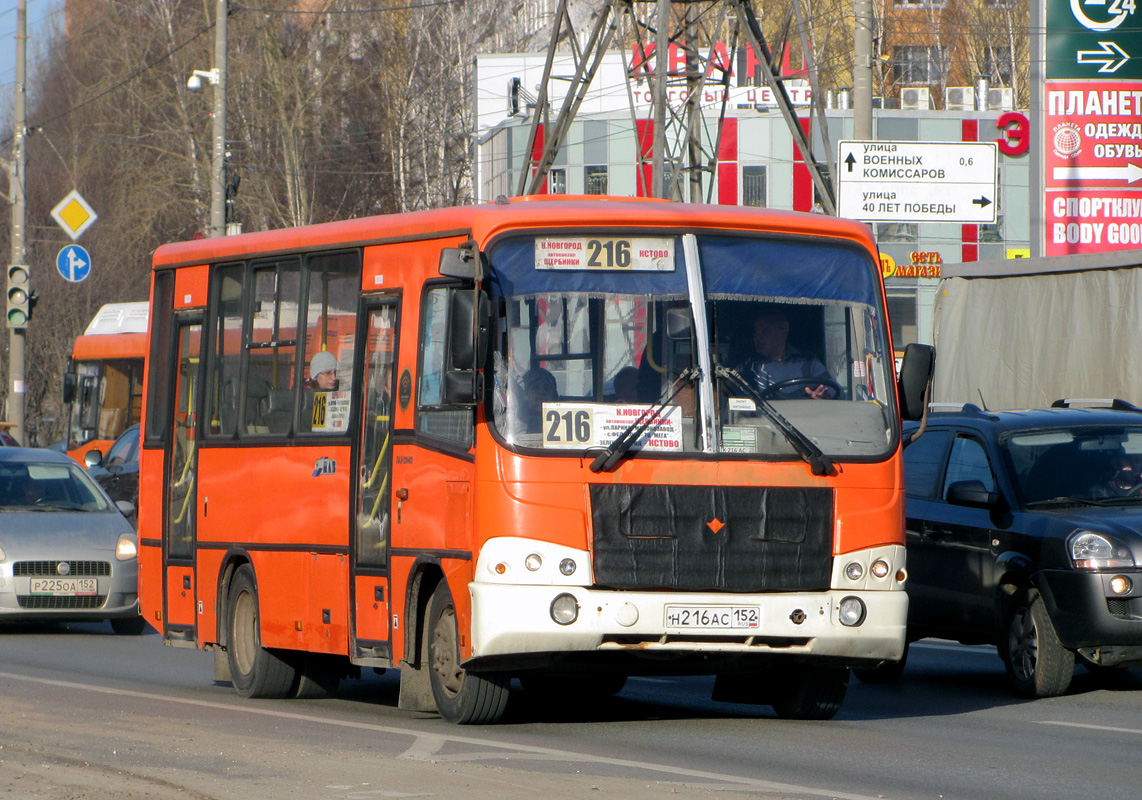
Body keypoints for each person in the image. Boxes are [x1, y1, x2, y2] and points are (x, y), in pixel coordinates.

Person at [737, 306, 837, 399]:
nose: (758, 337)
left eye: (765, 331)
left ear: (783, 331)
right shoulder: (748, 366)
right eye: (756, 332)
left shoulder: (807, 361)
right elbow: (737, 400)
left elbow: (834, 389)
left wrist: (823, 395)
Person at [516, 367, 558, 434]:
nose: (542, 392)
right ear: (526, 395)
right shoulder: (517, 420)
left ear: (553, 395)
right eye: (536, 388)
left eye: (546, 388)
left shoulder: (562, 420)